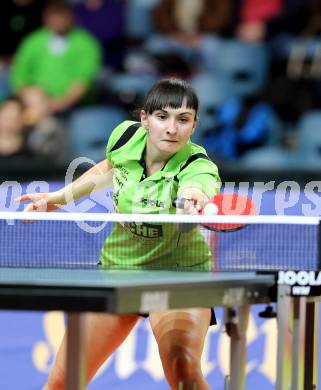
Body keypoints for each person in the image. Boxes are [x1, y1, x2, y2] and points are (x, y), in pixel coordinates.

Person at [16, 78, 221, 389]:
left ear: (193, 126)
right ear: (144, 119)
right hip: (119, 270)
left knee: (184, 373)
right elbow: (109, 169)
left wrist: (191, 201)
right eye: (162, 117)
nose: (172, 128)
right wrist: (58, 199)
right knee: (61, 381)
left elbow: (198, 188)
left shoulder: (198, 165)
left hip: (179, 277)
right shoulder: (125, 136)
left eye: (183, 120)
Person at [10, 0, 102, 115]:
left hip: (73, 106)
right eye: (54, 17)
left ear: (71, 18)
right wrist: (30, 96)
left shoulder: (86, 43)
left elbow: (83, 80)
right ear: (46, 18)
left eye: (62, 17)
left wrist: (62, 103)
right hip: (34, 102)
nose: (58, 22)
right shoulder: (33, 41)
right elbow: (19, 76)